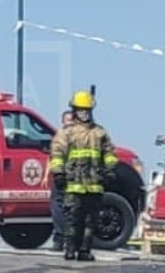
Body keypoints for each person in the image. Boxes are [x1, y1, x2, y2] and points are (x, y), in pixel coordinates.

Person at [49, 91, 118, 261]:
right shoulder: (67, 133)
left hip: (94, 184)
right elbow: (57, 154)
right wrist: (58, 174)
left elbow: (109, 153)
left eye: (86, 110)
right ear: (74, 111)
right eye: (80, 110)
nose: (84, 113)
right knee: (72, 219)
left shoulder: (100, 132)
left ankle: (85, 250)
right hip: (73, 184)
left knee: (90, 221)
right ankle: (70, 249)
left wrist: (110, 170)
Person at [48, 111, 74, 250]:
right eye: (68, 120)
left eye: (71, 119)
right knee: (63, 206)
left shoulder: (61, 137)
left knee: (61, 206)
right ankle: (63, 238)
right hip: (67, 176)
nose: (69, 122)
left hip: (71, 176)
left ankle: (61, 238)